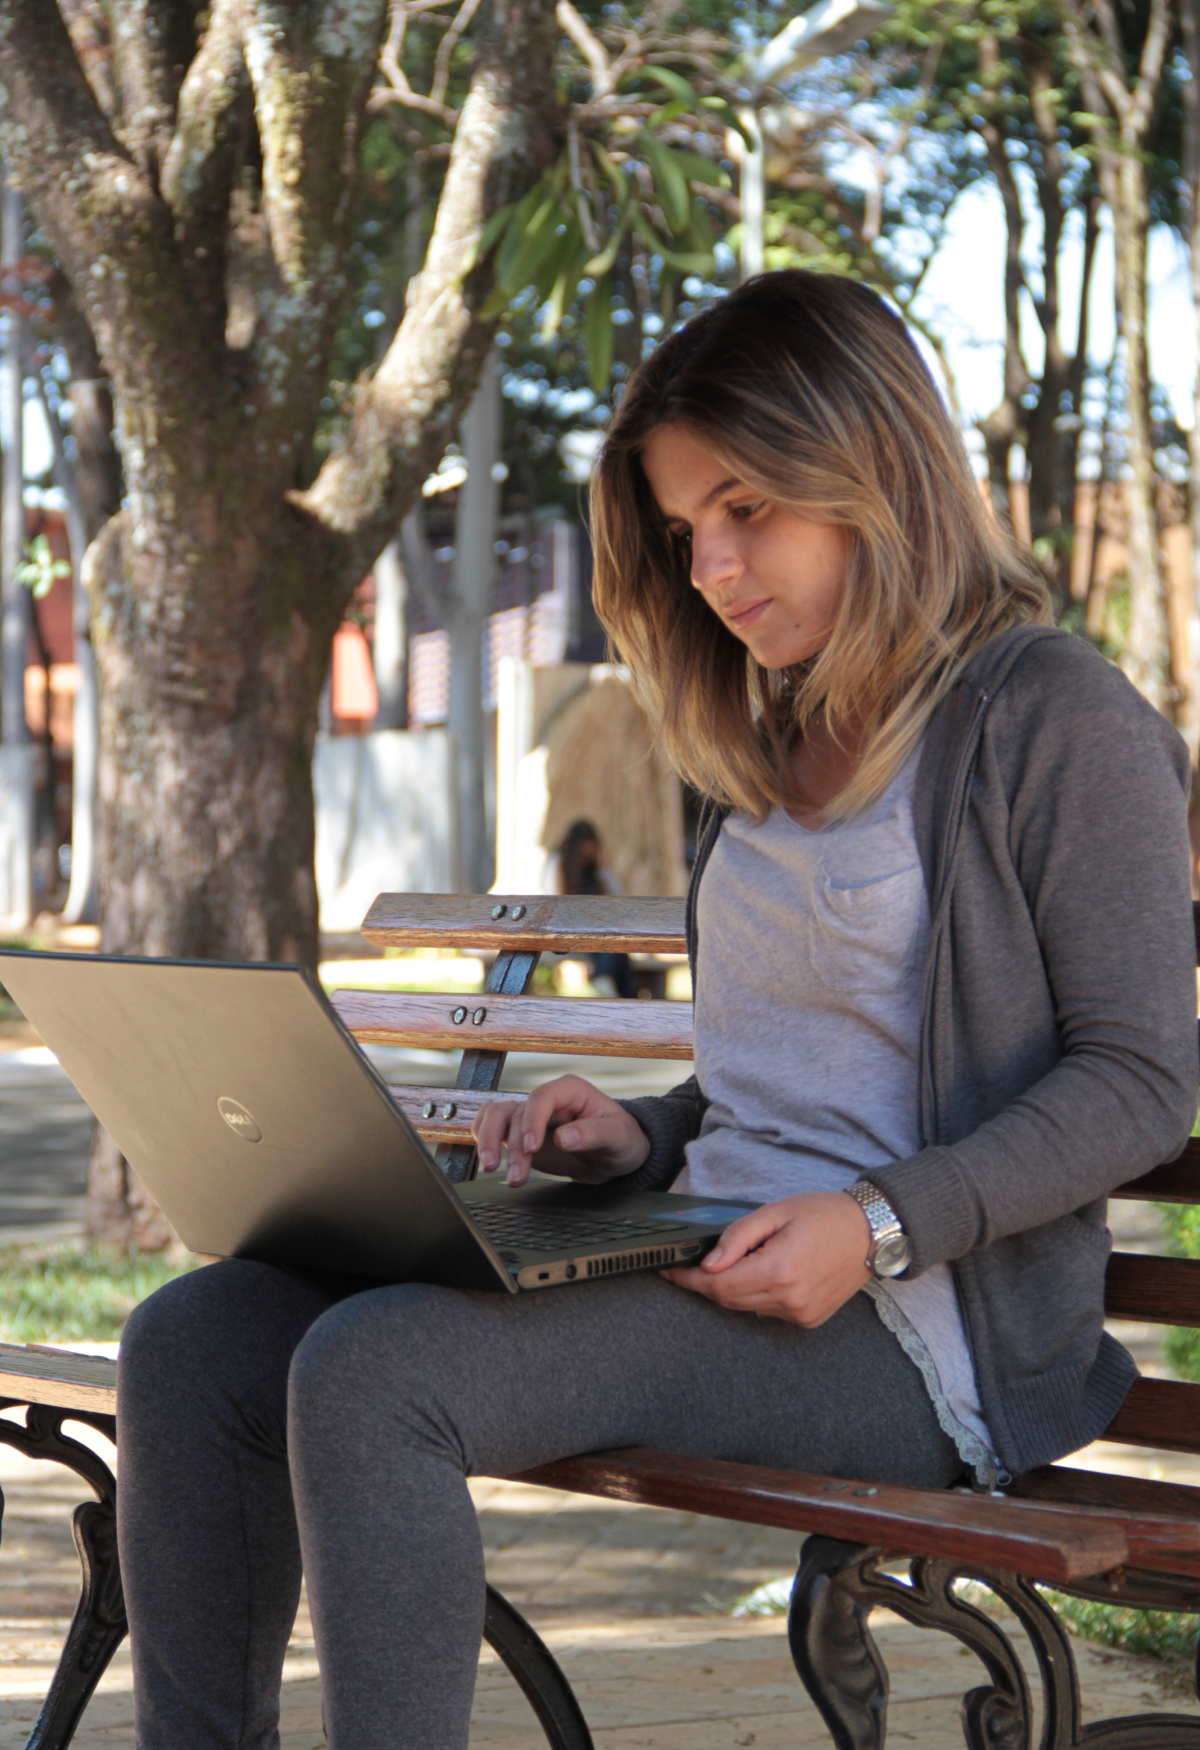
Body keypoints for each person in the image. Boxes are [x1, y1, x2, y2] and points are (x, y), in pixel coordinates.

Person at [116, 270, 1198, 1750]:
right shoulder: (761, 731)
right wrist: (640, 1136)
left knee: (377, 1373)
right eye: (688, 530)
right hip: (707, 1252)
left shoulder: (1054, 716)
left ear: (874, 468)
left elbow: (1140, 1078)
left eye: (748, 507)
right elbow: (788, 1079)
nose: (715, 568)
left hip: (908, 1328)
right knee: (195, 1334)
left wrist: (875, 1222)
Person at [544, 818, 638, 996]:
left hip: (595, 931)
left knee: (617, 944)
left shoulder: (597, 872)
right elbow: (555, 905)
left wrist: (603, 867)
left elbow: (618, 895)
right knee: (615, 943)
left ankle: (609, 985)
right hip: (566, 930)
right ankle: (607, 983)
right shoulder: (558, 866)